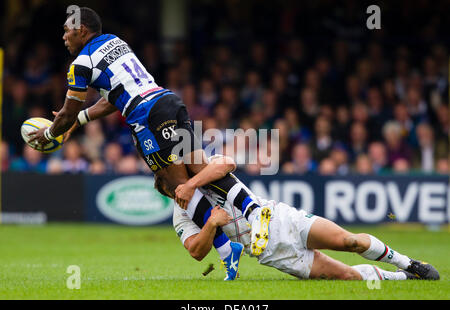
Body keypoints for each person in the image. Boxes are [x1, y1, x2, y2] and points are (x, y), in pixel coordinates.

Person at [28, 7, 260, 220]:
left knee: (177, 185)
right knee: (201, 170)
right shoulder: (115, 41)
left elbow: (68, 112)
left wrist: (49, 134)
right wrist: (78, 120)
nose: (64, 37)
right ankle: (255, 211)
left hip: (147, 116)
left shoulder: (81, 64)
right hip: (167, 100)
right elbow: (113, 99)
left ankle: (226, 248)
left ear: (81, 30)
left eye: (67, 31)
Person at [157, 155, 440, 281]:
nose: (178, 191)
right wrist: (210, 224)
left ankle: (410, 263)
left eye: (177, 183)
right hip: (272, 253)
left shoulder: (201, 173)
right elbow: (196, 251)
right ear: (168, 193)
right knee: (346, 276)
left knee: (348, 240)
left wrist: (193, 184)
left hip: (280, 219)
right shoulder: (181, 217)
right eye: (172, 190)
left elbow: (228, 163)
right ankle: (402, 278)